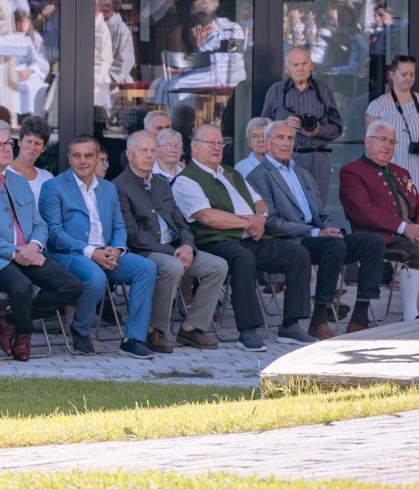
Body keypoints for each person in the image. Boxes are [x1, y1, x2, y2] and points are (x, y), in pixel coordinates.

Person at [173, 124, 314, 351]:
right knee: (241, 257)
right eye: (211, 143)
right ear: (194, 146)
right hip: (214, 242)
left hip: (251, 237)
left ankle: (291, 326)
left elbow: (260, 202)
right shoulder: (186, 179)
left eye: (220, 143)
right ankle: (247, 331)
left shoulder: (232, 173)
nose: (217, 148)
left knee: (297, 253)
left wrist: (261, 217)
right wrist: (250, 222)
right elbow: (207, 217)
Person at [0, 121, 83, 362]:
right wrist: (16, 252)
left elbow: (40, 224)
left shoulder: (19, 182)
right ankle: (25, 334)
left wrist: (34, 246)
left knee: (72, 286)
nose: (6, 148)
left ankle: (13, 322)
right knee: (21, 286)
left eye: (8, 143)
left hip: (26, 253)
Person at [251, 120, 387, 335]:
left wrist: (329, 228)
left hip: (319, 235)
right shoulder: (259, 176)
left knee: (372, 242)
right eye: (280, 138)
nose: (286, 143)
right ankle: (319, 318)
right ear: (267, 143)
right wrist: (316, 232)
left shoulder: (302, 173)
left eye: (290, 138)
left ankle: (360, 317)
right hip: (291, 240)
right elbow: (272, 223)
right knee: (333, 246)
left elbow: (321, 214)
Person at [39, 134, 160, 359]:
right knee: (96, 277)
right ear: (69, 158)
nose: (83, 161)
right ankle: (80, 331)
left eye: (88, 156)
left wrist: (116, 249)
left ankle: (132, 339)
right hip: (70, 253)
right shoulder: (53, 187)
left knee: (146, 268)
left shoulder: (108, 188)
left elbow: (119, 226)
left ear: (97, 159)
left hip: (106, 252)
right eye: (77, 156)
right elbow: (54, 234)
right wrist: (90, 251)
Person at [112, 129, 227, 352]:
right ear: (129, 155)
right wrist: (170, 251)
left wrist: (187, 246)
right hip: (143, 251)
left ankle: (192, 328)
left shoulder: (163, 184)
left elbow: (181, 222)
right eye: (143, 150)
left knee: (217, 265)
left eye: (152, 150)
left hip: (175, 249)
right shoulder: (119, 186)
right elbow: (132, 233)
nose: (149, 155)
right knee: (172, 267)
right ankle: (155, 331)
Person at [340, 119, 419, 319]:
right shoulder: (352, 172)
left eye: (392, 142)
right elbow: (363, 210)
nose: (387, 146)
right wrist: (402, 227)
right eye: (382, 139)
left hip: (411, 233)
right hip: (378, 237)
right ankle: (410, 317)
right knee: (413, 251)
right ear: (367, 142)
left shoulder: (401, 172)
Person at [261, 46, 343, 196]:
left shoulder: (323, 89)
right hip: (285, 158)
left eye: (304, 64)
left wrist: (319, 131)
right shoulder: (276, 90)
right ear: (287, 68)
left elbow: (337, 128)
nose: (300, 69)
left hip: (317, 158)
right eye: (295, 65)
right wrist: (283, 124)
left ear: (311, 65)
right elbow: (263, 127)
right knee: (288, 205)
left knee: (317, 208)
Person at [368, 54, 419, 201]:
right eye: (404, 74)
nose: (408, 78)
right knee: (394, 217)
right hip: (390, 173)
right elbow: (371, 146)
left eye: (412, 74)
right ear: (392, 74)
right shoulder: (377, 106)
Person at [8, 118, 52, 195]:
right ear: (19, 142)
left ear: (43, 148)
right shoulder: (3, 173)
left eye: (37, 143)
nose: (32, 147)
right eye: (29, 141)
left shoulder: (47, 178)